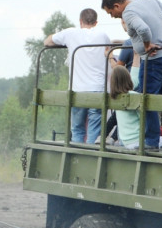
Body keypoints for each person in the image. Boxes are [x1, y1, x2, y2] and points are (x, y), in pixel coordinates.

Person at [101, 0, 162, 148]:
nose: (113, 16)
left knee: (147, 100)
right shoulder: (149, 0)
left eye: (111, 12)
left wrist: (146, 45)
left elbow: (143, 29)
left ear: (117, 6)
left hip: (154, 61)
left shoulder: (128, 12)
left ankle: (151, 141)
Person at [43, 8, 111, 144]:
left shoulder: (70, 33)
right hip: (97, 89)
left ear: (80, 21)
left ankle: (77, 156)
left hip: (77, 89)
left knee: (77, 128)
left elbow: (47, 42)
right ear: (96, 22)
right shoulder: (103, 36)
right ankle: (90, 156)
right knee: (94, 129)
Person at [109, 64, 142, 150]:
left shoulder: (114, 98)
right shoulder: (135, 96)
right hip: (138, 141)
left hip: (125, 142)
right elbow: (145, 120)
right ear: (128, 79)